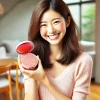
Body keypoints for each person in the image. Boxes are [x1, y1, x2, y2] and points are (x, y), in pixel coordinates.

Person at [18, 0, 93, 100]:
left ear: (67, 21)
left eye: (56, 22)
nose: (51, 30)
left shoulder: (83, 61)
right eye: (43, 24)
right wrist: (32, 76)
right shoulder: (33, 58)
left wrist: (44, 80)